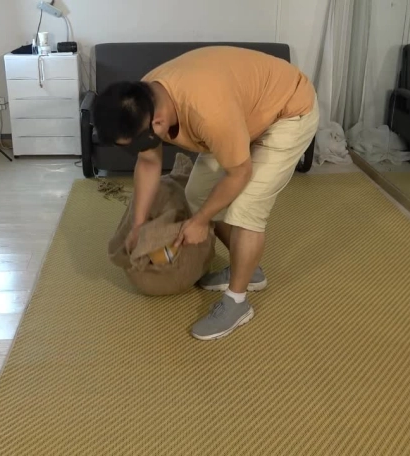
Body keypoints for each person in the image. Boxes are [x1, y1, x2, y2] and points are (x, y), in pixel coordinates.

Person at [93, 46, 319, 341]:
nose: (137, 149)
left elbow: (239, 172)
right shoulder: (142, 101)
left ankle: (237, 302)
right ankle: (249, 270)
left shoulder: (207, 111)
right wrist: (138, 224)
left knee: (245, 210)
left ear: (157, 123)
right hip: (242, 114)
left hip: (287, 110)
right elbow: (148, 162)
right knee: (198, 194)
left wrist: (200, 221)